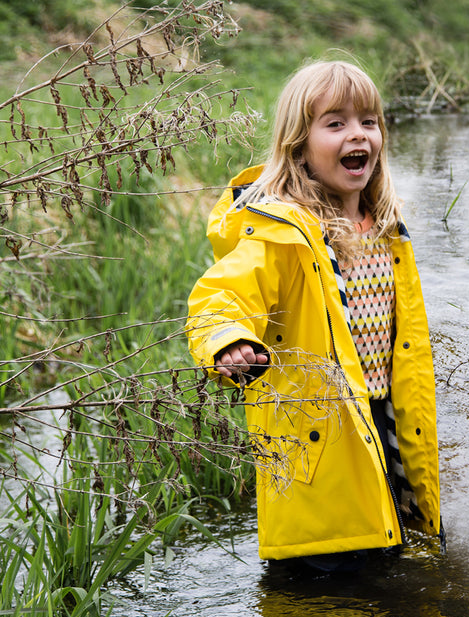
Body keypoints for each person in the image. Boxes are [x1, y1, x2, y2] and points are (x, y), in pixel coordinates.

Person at [186, 59, 444, 572]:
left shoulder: (387, 229)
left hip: (383, 423)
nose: (358, 135)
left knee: (394, 565)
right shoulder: (284, 235)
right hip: (322, 436)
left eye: (368, 122)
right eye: (336, 123)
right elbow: (222, 294)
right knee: (325, 585)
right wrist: (228, 339)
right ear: (298, 146)